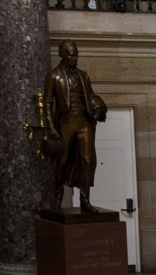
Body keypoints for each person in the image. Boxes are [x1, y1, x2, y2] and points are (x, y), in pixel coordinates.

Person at [43, 40, 104, 212]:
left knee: (87, 160)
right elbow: (47, 102)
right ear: (62, 55)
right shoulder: (54, 76)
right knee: (62, 161)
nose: (75, 58)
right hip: (66, 122)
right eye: (71, 55)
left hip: (84, 121)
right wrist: (50, 126)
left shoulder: (83, 75)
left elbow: (90, 96)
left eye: (76, 54)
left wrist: (98, 107)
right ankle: (58, 195)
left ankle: (84, 199)